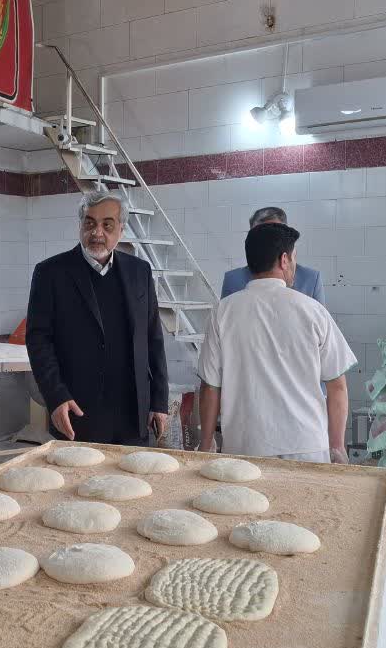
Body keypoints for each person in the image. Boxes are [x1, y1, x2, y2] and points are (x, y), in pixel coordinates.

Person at [198, 222, 357, 463]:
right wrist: (337, 447)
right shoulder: (313, 311)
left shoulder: (223, 312)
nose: (294, 265)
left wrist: (206, 443)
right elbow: (337, 386)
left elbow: (210, 387)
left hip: (245, 446)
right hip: (306, 447)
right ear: (284, 260)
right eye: (294, 258)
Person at [26, 189, 168, 446]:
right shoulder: (51, 273)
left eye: (107, 225)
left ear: (121, 230)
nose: (97, 233)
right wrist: (56, 397)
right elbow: (38, 342)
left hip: (133, 415)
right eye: (89, 223)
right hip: (76, 413)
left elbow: (153, 338)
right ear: (80, 225)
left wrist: (159, 401)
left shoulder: (140, 272)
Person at [220, 207, 325, 303]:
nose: (269, 240)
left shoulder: (311, 279)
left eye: (276, 234)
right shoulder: (232, 280)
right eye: (260, 235)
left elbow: (320, 316)